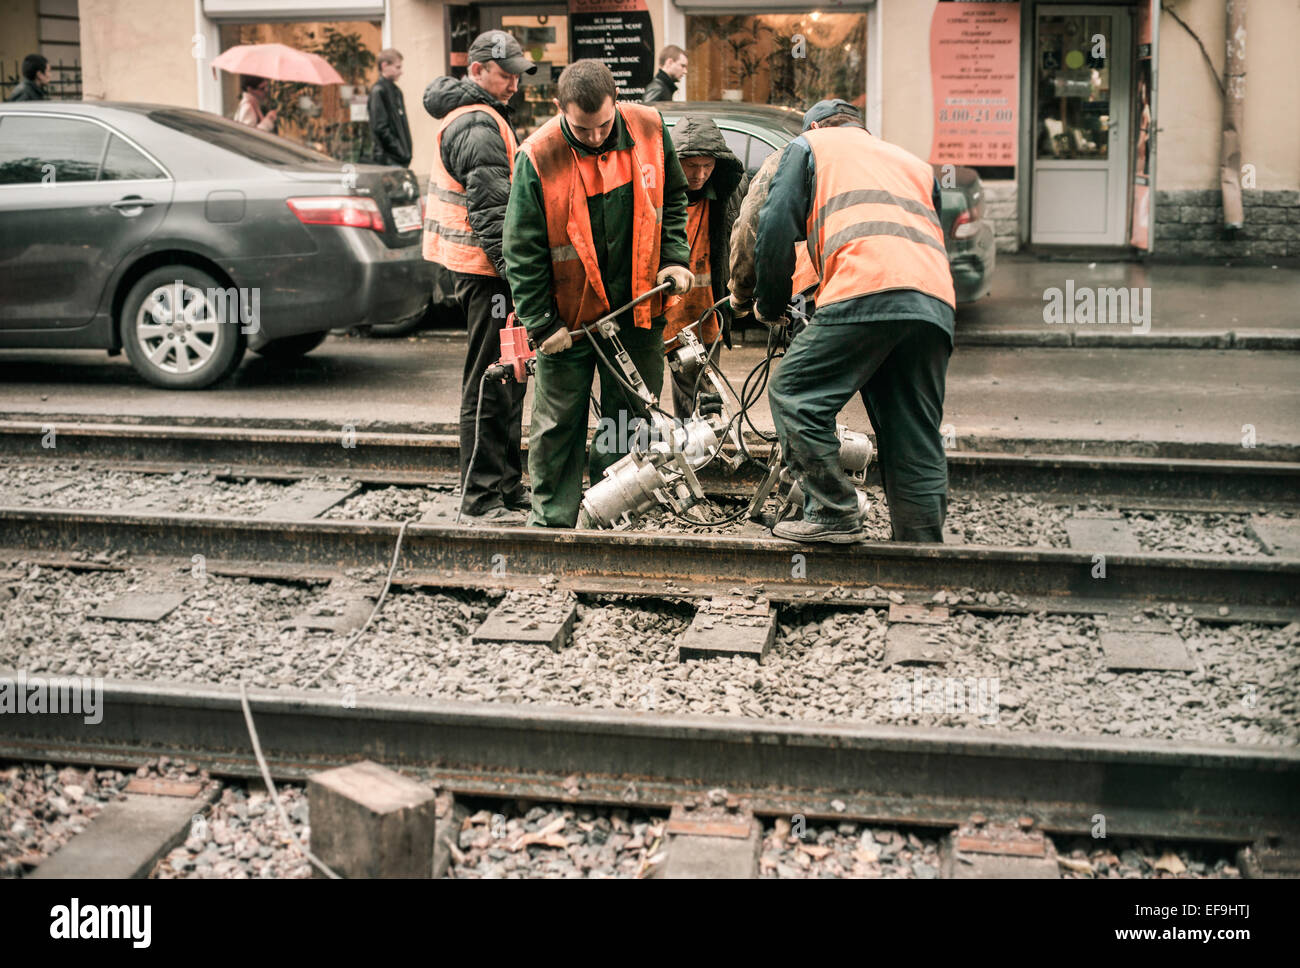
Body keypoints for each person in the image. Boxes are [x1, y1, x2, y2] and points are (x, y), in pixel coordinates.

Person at [754, 99, 955, 544]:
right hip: (932, 302)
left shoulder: (810, 146)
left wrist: (769, 304)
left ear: (818, 126)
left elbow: (773, 226)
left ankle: (831, 511)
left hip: (863, 289)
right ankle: (921, 547)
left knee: (795, 391)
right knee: (914, 430)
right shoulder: (911, 163)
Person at [502, 59, 691, 529]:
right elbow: (522, 249)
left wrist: (674, 258)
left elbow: (672, 199)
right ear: (558, 108)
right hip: (569, 320)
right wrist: (542, 324)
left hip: (638, 309)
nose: (593, 136)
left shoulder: (648, 127)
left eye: (603, 125)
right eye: (581, 128)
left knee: (627, 418)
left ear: (617, 102)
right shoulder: (538, 155)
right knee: (557, 420)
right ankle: (553, 519)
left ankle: (611, 513)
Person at [422, 31, 536, 519]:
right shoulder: (478, 125)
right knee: (491, 381)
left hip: (485, 271)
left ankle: (506, 485)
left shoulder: (483, 116)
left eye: (517, 73)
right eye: (505, 73)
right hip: (487, 273)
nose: (513, 83)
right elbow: (491, 214)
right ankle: (481, 496)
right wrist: (520, 279)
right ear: (477, 71)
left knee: (507, 377)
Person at [660, 115, 743, 418]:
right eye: (692, 166)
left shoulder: (724, 196)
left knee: (705, 391)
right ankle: (694, 454)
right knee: (687, 390)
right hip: (665, 310)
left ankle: (701, 454)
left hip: (708, 312)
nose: (700, 174)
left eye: (707, 166)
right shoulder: (660, 197)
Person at [728, 144, 820, 322]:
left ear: (815, 126)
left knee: (803, 349)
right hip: (883, 287)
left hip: (817, 292)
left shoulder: (792, 156)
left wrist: (742, 291)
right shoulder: (876, 156)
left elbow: (750, 225)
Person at [368, 48, 412, 168]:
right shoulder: (379, 91)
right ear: (384, 65)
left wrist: (405, 153)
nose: (401, 72)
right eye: (397, 67)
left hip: (398, 159)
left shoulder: (396, 91)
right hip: (388, 160)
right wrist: (400, 151)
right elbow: (381, 128)